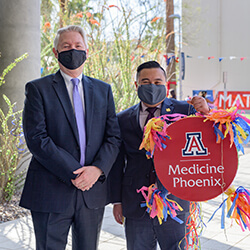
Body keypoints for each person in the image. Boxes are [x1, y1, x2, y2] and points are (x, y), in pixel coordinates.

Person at [19, 25, 121, 250]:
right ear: (56, 53)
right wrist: (75, 173)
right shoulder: (38, 89)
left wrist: (96, 170)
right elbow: (37, 138)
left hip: (91, 192)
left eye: (77, 46)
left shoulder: (103, 90)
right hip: (50, 191)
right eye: (66, 46)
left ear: (86, 51)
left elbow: (113, 137)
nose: (72, 50)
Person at [108, 61, 210, 250]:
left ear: (166, 85)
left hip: (175, 203)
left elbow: (210, 141)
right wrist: (117, 201)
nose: (152, 86)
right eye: (145, 82)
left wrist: (206, 112)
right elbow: (117, 163)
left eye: (157, 81)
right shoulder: (122, 119)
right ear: (136, 85)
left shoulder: (185, 111)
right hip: (135, 203)